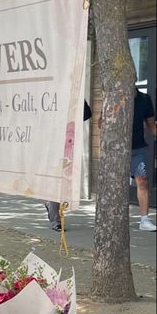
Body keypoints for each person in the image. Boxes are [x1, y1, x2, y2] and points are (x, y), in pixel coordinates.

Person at [45, 99, 93, 231]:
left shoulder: (73, 94)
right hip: (49, 141)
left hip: (68, 142)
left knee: (64, 180)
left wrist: (73, 116)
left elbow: (87, 113)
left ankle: (52, 206)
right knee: (55, 180)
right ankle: (56, 219)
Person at [131, 89, 156, 231]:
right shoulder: (113, 95)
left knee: (142, 181)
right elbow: (101, 123)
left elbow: (151, 124)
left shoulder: (144, 99)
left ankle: (144, 220)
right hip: (116, 149)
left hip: (138, 148)